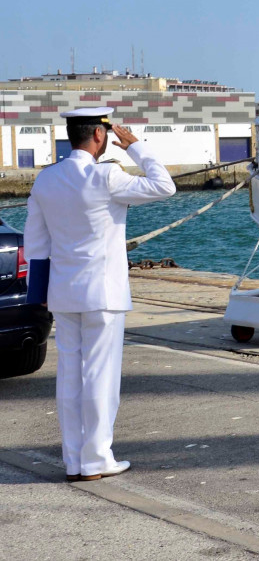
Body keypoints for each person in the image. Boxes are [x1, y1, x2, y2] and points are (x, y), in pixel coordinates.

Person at [22, 108, 175, 482]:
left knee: (70, 378)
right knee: (101, 378)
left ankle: (74, 460)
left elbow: (36, 244)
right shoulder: (107, 175)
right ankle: (97, 459)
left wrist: (38, 293)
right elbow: (164, 185)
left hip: (62, 292)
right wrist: (137, 148)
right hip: (103, 295)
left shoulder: (46, 180)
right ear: (98, 135)